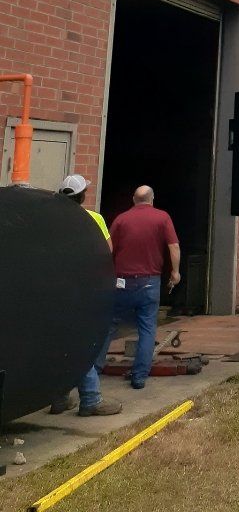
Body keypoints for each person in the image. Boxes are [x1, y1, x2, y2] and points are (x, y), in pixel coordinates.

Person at [52, 174, 122, 417]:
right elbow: (107, 252)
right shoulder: (93, 218)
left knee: (59, 344)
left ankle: (58, 397)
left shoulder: (52, 219)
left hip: (54, 291)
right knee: (84, 345)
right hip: (82, 292)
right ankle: (91, 399)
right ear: (83, 196)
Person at [105, 185, 180, 390]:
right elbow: (173, 246)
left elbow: (109, 248)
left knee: (109, 325)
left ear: (133, 199)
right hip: (149, 282)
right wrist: (175, 272)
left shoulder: (121, 219)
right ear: (152, 199)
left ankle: (92, 369)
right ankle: (138, 377)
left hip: (121, 281)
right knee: (147, 329)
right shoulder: (162, 218)